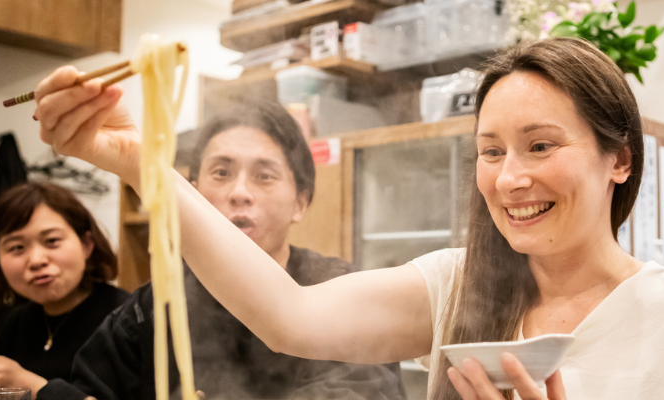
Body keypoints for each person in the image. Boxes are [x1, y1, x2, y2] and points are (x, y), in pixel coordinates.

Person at [33, 37, 664, 400]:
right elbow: (286, 316)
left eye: (541, 146)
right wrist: (141, 166)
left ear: (619, 159)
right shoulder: (456, 286)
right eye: (490, 151)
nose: (509, 178)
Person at [35, 101, 407, 400]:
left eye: (264, 176)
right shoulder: (153, 307)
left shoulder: (341, 292)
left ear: (300, 203)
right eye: (221, 173)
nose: (239, 193)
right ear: (191, 194)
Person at [0, 182, 128, 399]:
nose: (36, 260)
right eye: (17, 247)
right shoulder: (14, 324)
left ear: (87, 245)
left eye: (52, 241)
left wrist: (27, 385)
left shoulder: (126, 319)